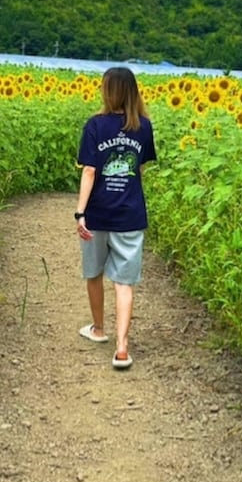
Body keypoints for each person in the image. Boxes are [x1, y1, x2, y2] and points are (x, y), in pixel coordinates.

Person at [74, 66, 157, 370]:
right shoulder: (144, 127)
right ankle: (122, 348)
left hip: (97, 213)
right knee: (124, 282)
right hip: (130, 215)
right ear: (133, 91)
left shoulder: (95, 125)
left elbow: (90, 170)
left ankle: (98, 330)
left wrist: (80, 212)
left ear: (108, 91)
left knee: (93, 272)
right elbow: (140, 168)